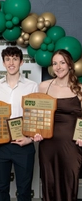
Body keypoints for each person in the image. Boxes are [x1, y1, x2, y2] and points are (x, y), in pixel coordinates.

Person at [0, 46, 38, 201]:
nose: (11, 63)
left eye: (15, 59)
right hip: (0, 145)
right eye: (8, 59)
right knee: (1, 189)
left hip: (24, 144)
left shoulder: (32, 86)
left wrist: (30, 139)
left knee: (24, 190)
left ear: (21, 62)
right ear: (3, 63)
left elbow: (36, 116)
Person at [34, 49, 82, 201]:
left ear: (69, 65)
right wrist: (36, 131)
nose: (58, 67)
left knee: (69, 180)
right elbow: (37, 115)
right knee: (50, 181)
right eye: (55, 63)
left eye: (62, 62)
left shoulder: (80, 89)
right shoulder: (43, 87)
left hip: (72, 143)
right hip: (48, 143)